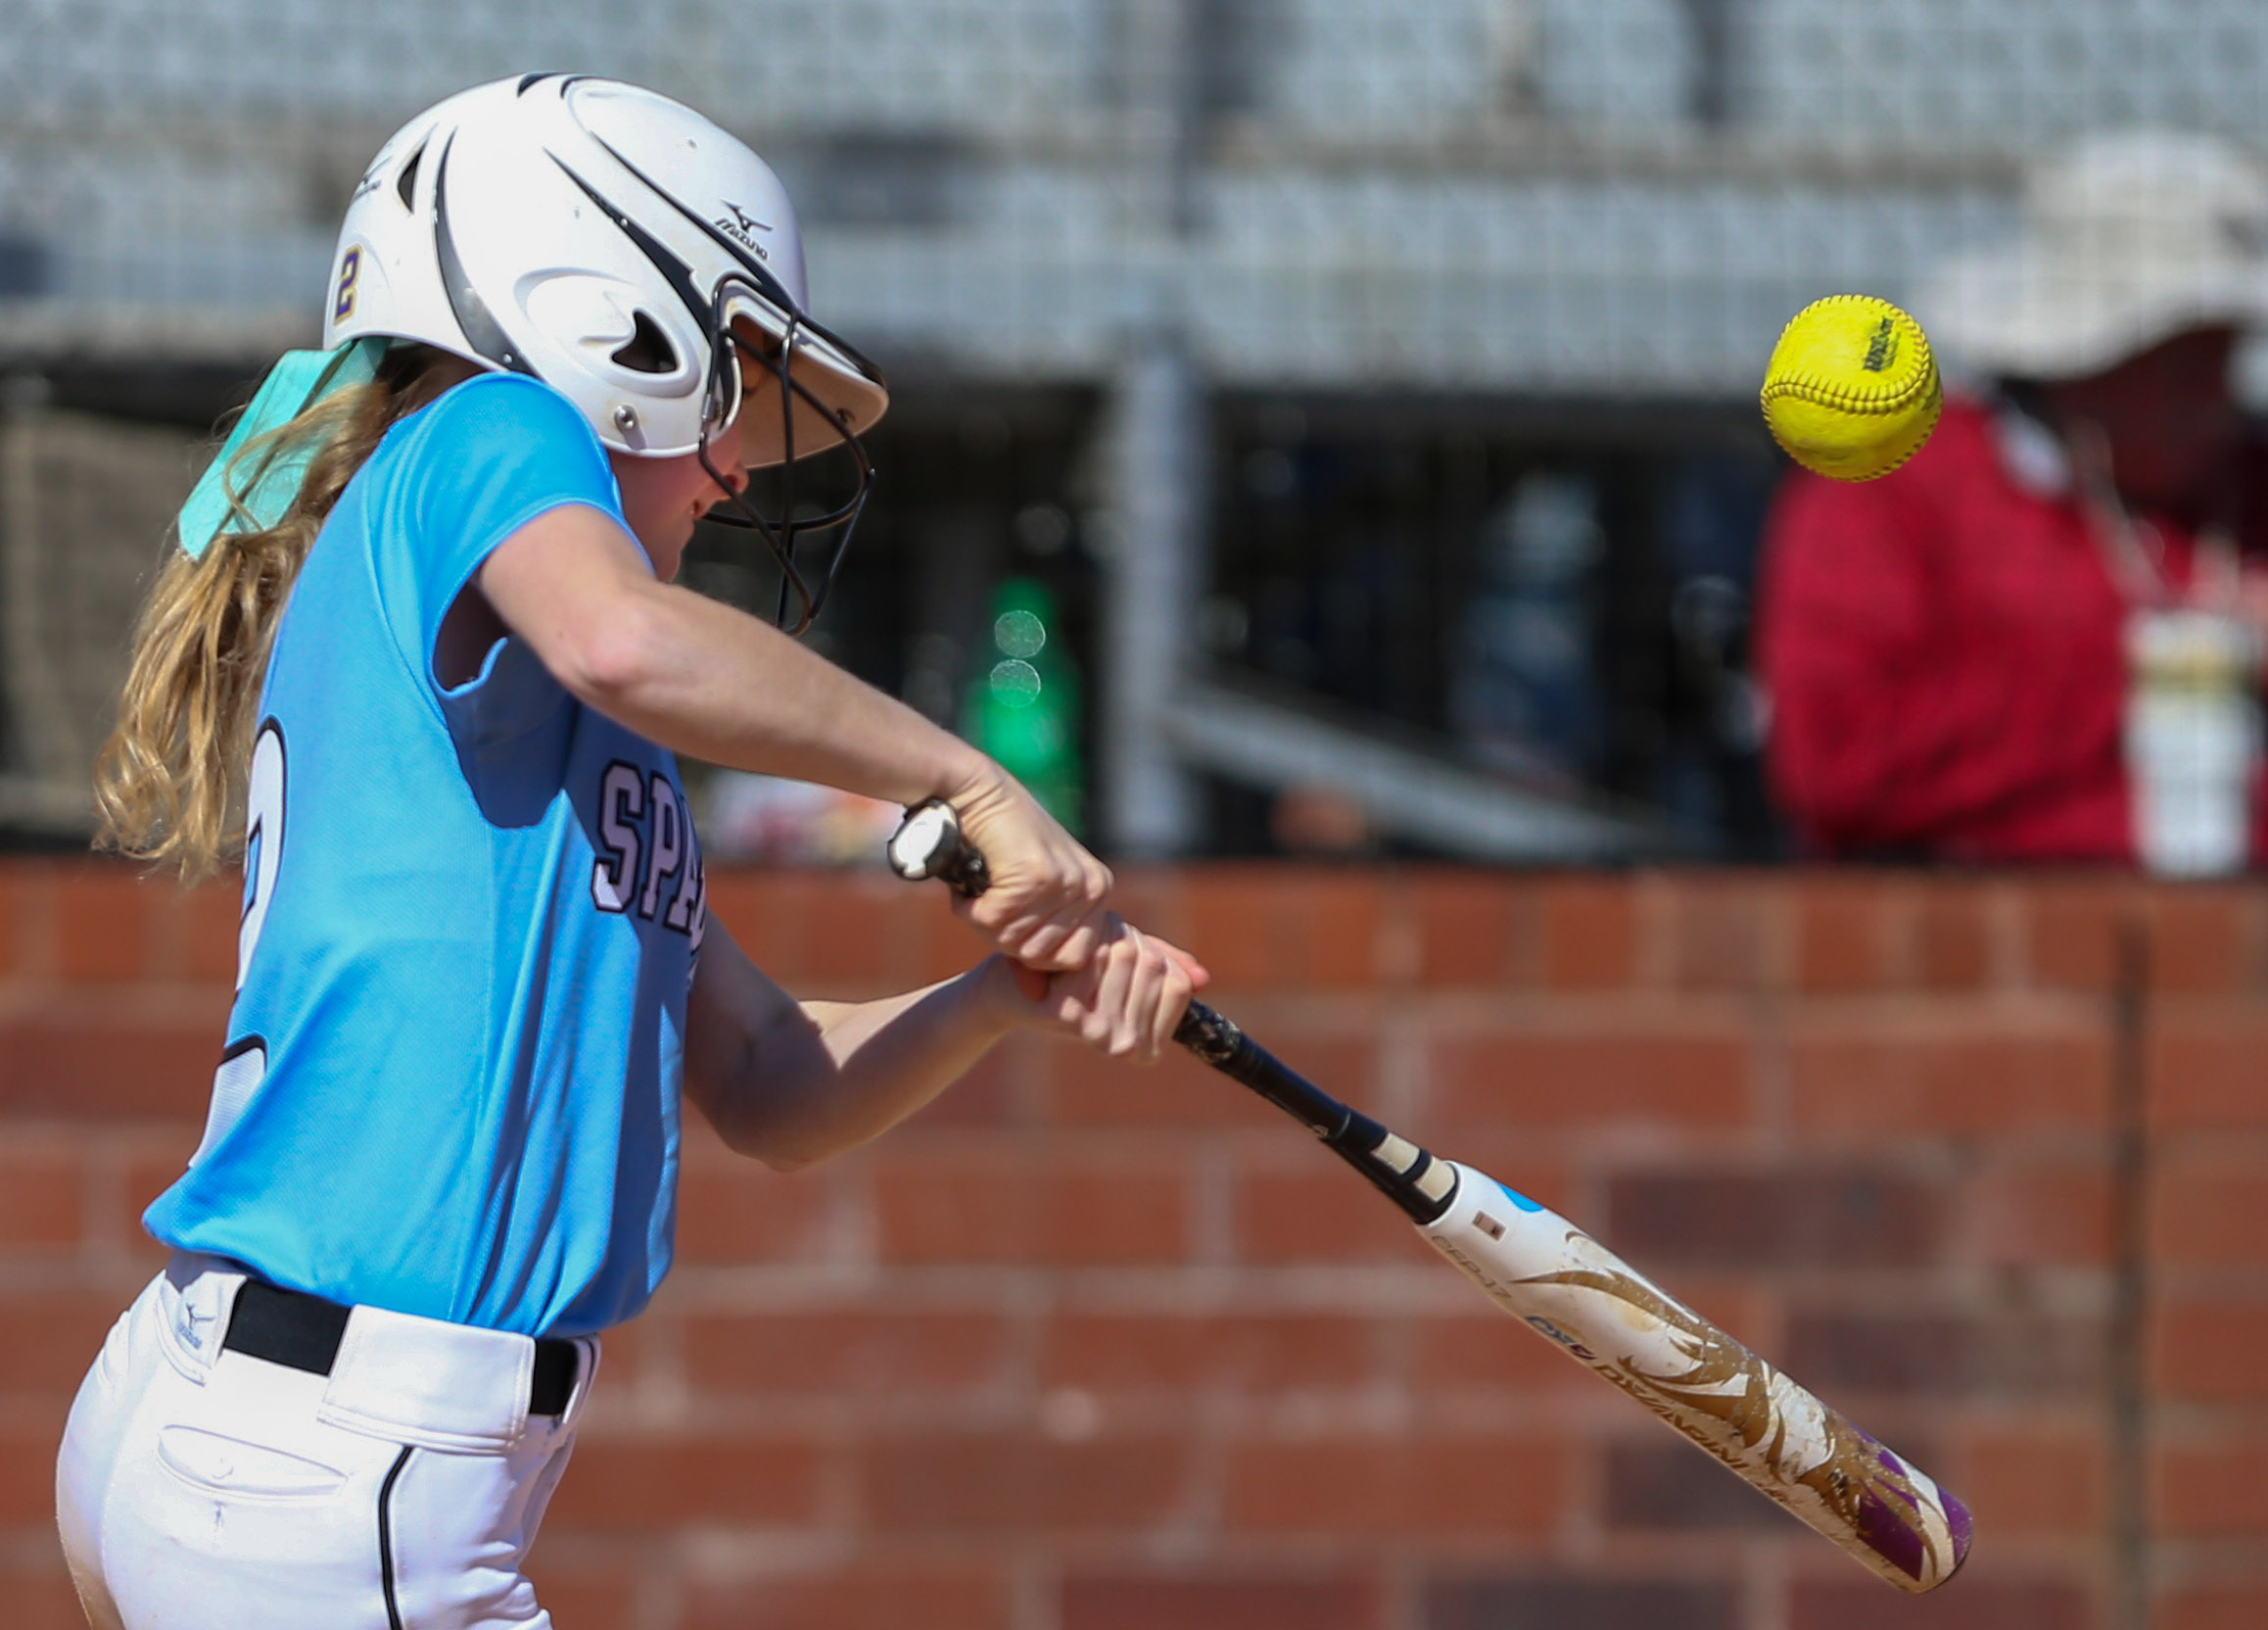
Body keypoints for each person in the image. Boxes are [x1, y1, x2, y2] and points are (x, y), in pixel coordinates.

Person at [56, 75, 1205, 1630]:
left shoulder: (563, 746)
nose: (737, 462)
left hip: (264, 1433)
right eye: (723, 378)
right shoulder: (491, 421)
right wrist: (967, 777)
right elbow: (624, 635)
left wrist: (1002, 996)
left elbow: (767, 1085)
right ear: (597, 317)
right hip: (344, 1467)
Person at [1756, 130, 2268, 865]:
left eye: (2224, 353)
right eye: (2182, 359)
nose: (2215, 392)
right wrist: (2159, 671)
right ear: (2091, 357)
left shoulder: (2245, 493)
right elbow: (1832, 763)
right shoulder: (1897, 496)